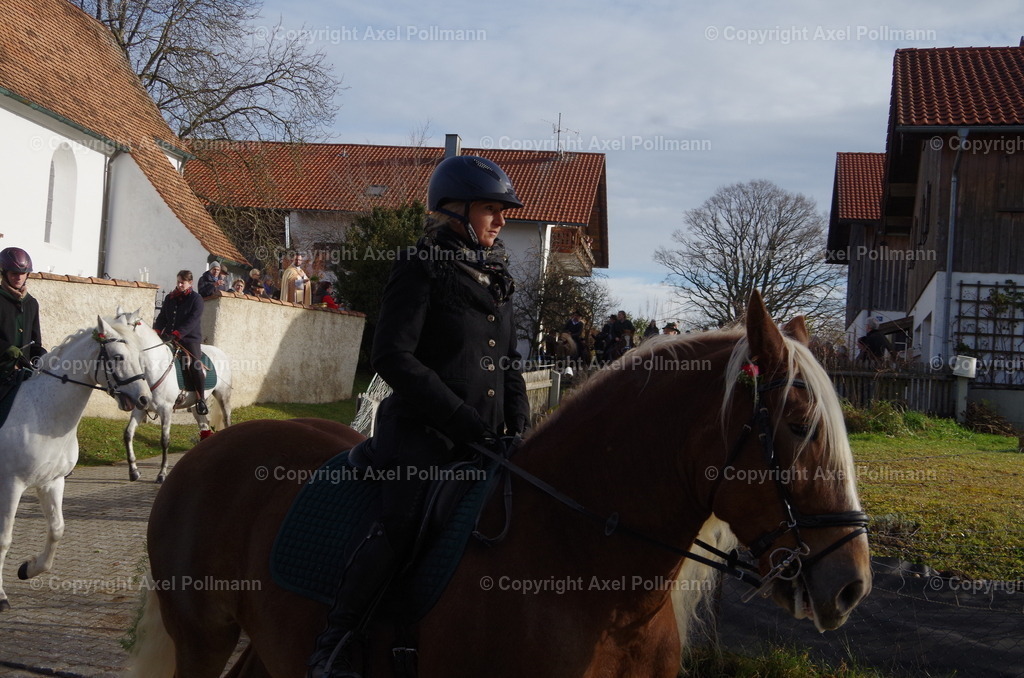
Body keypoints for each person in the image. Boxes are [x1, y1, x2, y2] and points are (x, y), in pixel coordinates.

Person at [306, 156, 530, 678]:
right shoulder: (421, 264)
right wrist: (459, 418)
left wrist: (517, 425)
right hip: (423, 434)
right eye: (491, 210)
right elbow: (393, 356)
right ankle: (337, 638)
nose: (501, 221)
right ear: (454, 210)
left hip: (487, 439)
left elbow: (507, 363)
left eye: (503, 212)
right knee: (402, 525)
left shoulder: (497, 275)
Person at [153, 270, 208, 415]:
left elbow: (192, 321)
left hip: (190, 339)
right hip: (169, 337)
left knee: (195, 365)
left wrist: (177, 334)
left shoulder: (196, 299)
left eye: (182, 282)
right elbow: (162, 317)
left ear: (190, 283)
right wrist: (156, 332)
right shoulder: (170, 298)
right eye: (178, 281)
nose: (179, 284)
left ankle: (201, 399)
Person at [0, 247, 45, 380]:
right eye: (14, 273)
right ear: (4, 273)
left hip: (22, 373)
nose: (18, 277)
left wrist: (43, 357)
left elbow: (35, 343)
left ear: (27, 275)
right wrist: (5, 348)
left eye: (22, 273)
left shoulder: (32, 303)